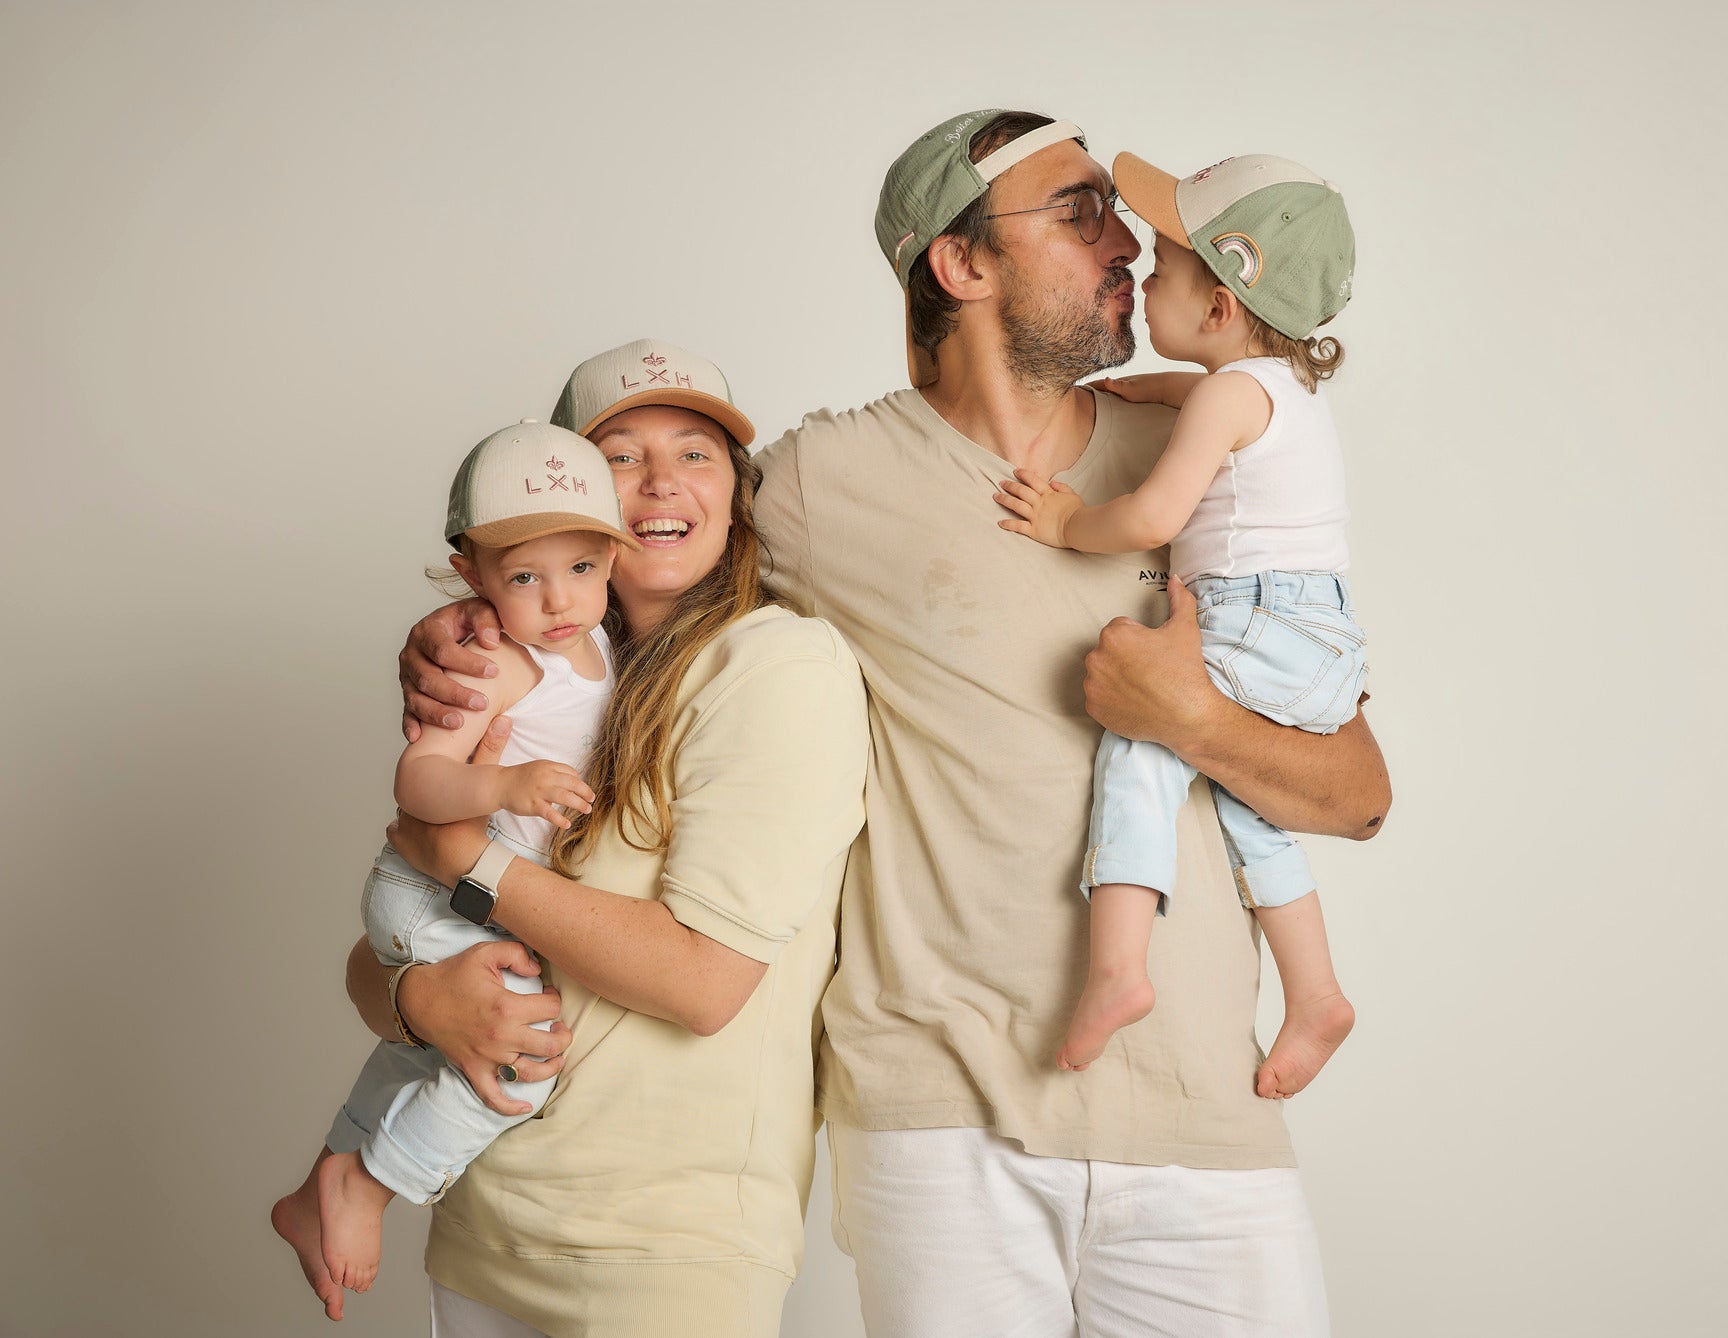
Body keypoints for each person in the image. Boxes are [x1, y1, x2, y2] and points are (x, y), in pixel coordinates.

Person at [405, 109, 1391, 1338]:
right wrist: (467, 639)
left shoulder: (1202, 456)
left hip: (1205, 1113)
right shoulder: (819, 484)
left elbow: (1355, 794)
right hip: (936, 1124)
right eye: (1079, 210)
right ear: (959, 265)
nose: (1129, 243)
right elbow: (616, 555)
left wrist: (1190, 718)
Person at [320, 340, 869, 1338]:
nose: (660, 481)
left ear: (737, 493)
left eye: (697, 453)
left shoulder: (778, 665)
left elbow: (703, 984)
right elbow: (380, 956)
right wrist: (419, 998)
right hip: (489, 1217)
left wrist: (468, 863)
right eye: (620, 453)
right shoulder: (528, 682)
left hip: (664, 1244)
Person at [993, 150, 1368, 1099]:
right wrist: (1143, 391)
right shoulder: (1276, 391)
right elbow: (1209, 403)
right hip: (1318, 636)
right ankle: (1316, 993)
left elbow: (1156, 519)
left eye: (1163, 270)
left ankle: (1119, 968)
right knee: (1253, 811)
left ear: (1217, 309)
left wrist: (1069, 523)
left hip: (1259, 621)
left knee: (1141, 744)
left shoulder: (1230, 399)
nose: (1141, 278)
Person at [271, 419, 631, 1308]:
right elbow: (419, 777)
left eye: (580, 569)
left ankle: (317, 1189)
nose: (558, 601)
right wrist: (506, 784)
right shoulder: (497, 665)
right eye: (523, 578)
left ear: (612, 559)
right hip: (433, 894)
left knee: (430, 1049)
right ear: (472, 575)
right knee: (521, 1059)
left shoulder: (599, 645)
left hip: (471, 903)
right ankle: (365, 1185)